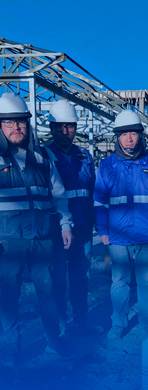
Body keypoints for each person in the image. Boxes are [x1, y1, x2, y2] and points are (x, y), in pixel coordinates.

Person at [0, 92, 74, 366]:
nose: (16, 127)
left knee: (49, 293)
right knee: (8, 297)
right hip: (8, 241)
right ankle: (10, 347)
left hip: (42, 238)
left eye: (20, 121)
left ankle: (54, 341)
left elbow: (59, 195)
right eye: (9, 122)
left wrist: (65, 224)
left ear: (27, 124)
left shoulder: (42, 158)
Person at [94, 110, 148, 339]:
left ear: (140, 135)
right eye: (124, 134)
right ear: (117, 137)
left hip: (147, 234)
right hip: (118, 235)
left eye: (134, 133)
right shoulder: (107, 166)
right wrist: (103, 230)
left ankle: (147, 322)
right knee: (119, 281)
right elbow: (99, 202)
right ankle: (118, 323)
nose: (129, 138)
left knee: (146, 281)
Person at [45, 99, 101, 335]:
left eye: (69, 126)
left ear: (76, 128)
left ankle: (81, 320)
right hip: (55, 230)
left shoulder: (84, 156)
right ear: (51, 128)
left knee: (81, 277)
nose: (64, 131)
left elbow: (94, 190)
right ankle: (60, 323)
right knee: (57, 279)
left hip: (83, 228)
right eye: (59, 127)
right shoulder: (43, 156)